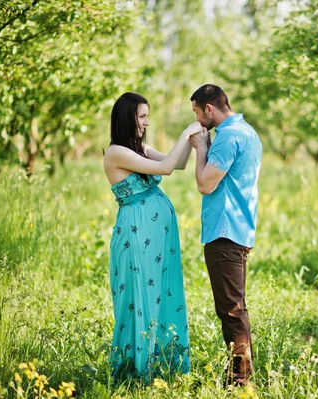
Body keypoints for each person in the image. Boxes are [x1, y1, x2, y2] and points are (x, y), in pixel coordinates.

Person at [103, 92, 201, 382]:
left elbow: (178, 163)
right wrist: (186, 132)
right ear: (127, 118)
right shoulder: (117, 153)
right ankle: (134, 370)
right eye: (142, 116)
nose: (146, 122)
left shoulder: (139, 148)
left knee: (161, 292)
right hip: (136, 234)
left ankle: (165, 363)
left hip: (156, 237)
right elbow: (166, 168)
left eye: (147, 116)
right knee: (137, 296)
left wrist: (192, 139)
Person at [187, 84, 262, 386]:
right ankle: (243, 375)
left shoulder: (228, 137)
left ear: (209, 108)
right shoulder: (247, 132)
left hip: (225, 232)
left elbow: (206, 184)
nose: (197, 120)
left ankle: (239, 382)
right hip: (239, 230)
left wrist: (201, 147)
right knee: (236, 307)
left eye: (196, 112)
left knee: (231, 310)